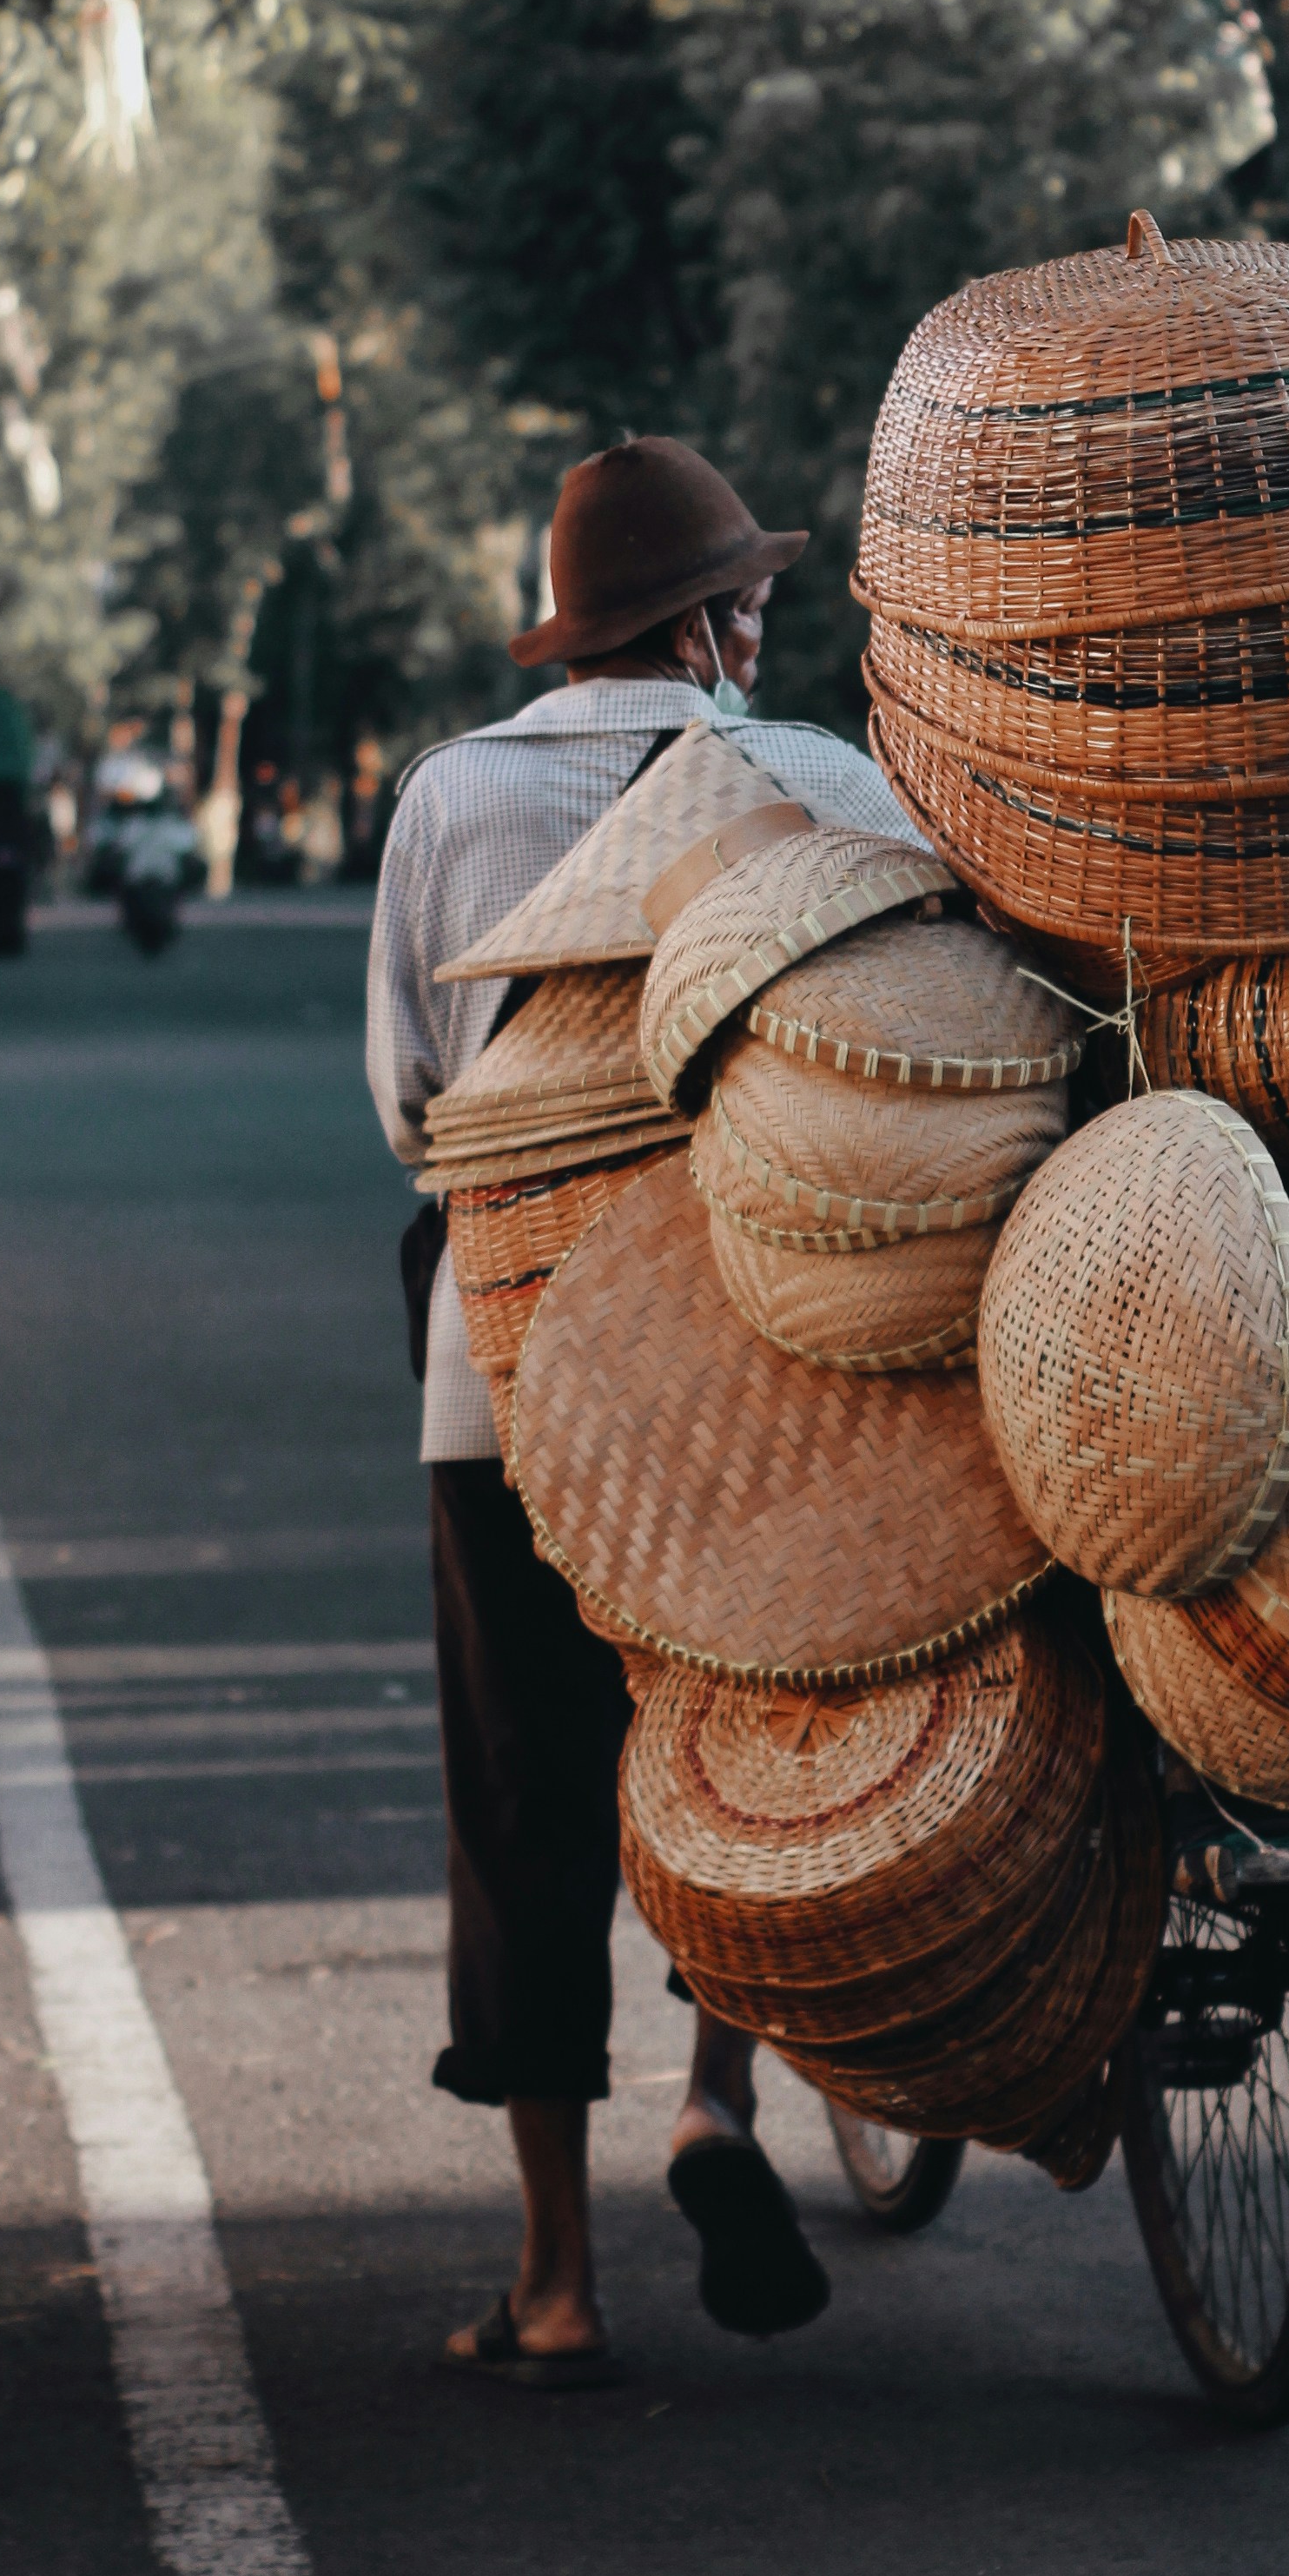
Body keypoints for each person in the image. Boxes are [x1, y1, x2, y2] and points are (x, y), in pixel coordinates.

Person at [367, 436, 916, 2385]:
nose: (764, 629)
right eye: (750, 603)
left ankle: (554, 2281)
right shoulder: (833, 789)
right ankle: (717, 2104)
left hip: (508, 1389)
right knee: (753, 1757)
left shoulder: (452, 797)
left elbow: (413, 1106)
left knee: (527, 1802)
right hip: (773, 1380)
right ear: (704, 624)